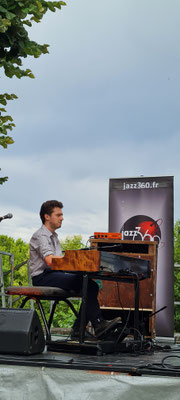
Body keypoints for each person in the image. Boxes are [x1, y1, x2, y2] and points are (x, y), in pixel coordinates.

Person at [29, 200, 120, 339]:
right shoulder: (41, 235)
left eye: (62, 215)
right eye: (58, 215)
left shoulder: (54, 236)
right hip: (42, 277)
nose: (62, 218)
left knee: (90, 285)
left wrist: (78, 265)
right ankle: (96, 324)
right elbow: (50, 261)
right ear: (47, 217)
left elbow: (58, 263)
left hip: (53, 273)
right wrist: (73, 262)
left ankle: (79, 329)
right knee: (88, 285)